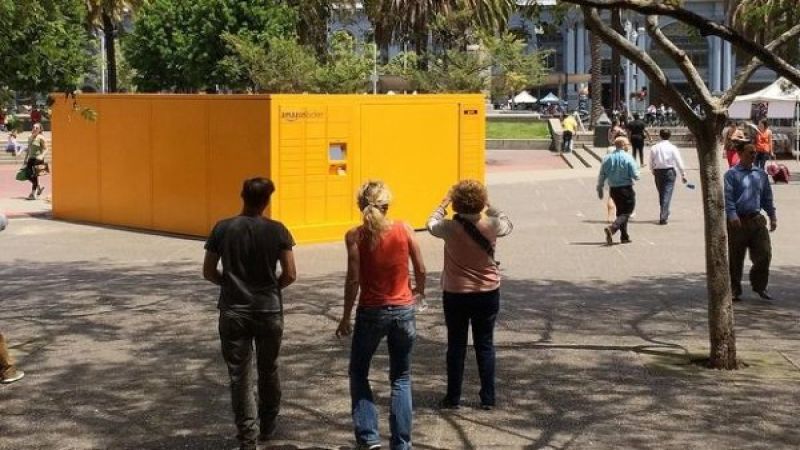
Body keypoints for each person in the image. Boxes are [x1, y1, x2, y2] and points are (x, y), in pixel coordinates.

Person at [203, 177, 297, 450]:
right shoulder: (278, 230)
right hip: (268, 309)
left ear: (241, 195)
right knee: (269, 369)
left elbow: (208, 272)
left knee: (240, 375)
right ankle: (268, 425)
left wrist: (230, 284)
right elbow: (290, 274)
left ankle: (247, 437)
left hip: (234, 311)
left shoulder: (222, 229)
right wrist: (271, 288)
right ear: (267, 201)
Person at [336, 180, 425, 450]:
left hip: (371, 311)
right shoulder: (405, 229)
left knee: (359, 372)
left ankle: (369, 437)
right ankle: (401, 444)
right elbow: (420, 268)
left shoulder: (354, 236)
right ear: (387, 205)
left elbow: (353, 280)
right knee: (401, 376)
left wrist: (345, 316)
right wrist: (418, 293)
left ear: (360, 206)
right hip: (403, 310)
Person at [426, 180, 513, 411]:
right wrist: (491, 206)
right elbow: (508, 223)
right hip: (487, 292)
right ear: (480, 201)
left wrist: (442, 205)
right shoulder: (492, 224)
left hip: (456, 292)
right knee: (485, 345)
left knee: (456, 346)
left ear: (457, 202)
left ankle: (453, 397)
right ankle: (488, 397)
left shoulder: (448, 228)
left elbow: (430, 223)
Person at [724, 144, 777, 302]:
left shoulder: (760, 174)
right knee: (736, 257)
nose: (753, 155)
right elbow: (728, 197)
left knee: (764, 254)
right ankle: (734, 289)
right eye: (750, 153)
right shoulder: (731, 175)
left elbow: (767, 197)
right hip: (738, 221)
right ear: (740, 154)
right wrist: (732, 215)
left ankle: (760, 286)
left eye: (755, 153)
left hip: (756, 220)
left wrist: (772, 216)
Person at [597, 136, 640, 245]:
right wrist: (637, 174)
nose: (628, 146)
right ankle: (613, 228)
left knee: (620, 212)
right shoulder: (628, 157)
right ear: (623, 145)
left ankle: (624, 236)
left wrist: (600, 185)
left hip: (614, 189)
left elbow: (602, 174)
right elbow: (635, 175)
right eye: (627, 144)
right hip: (626, 188)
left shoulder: (607, 158)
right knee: (627, 212)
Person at [649, 129, 687, 225]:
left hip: (658, 171)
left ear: (660, 135)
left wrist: (652, 169)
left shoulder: (655, 147)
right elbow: (678, 160)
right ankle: (664, 214)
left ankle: (664, 211)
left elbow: (651, 160)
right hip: (669, 171)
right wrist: (683, 173)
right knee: (667, 193)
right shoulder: (672, 148)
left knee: (662, 193)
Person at [23, 123, 47, 200]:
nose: (35, 128)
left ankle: (33, 194)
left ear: (40, 130)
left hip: (38, 159)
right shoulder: (29, 137)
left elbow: (46, 149)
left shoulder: (41, 138)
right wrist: (25, 159)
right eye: (34, 127)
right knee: (27, 175)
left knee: (34, 176)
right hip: (31, 158)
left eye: (37, 128)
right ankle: (38, 187)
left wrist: (42, 156)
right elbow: (28, 149)